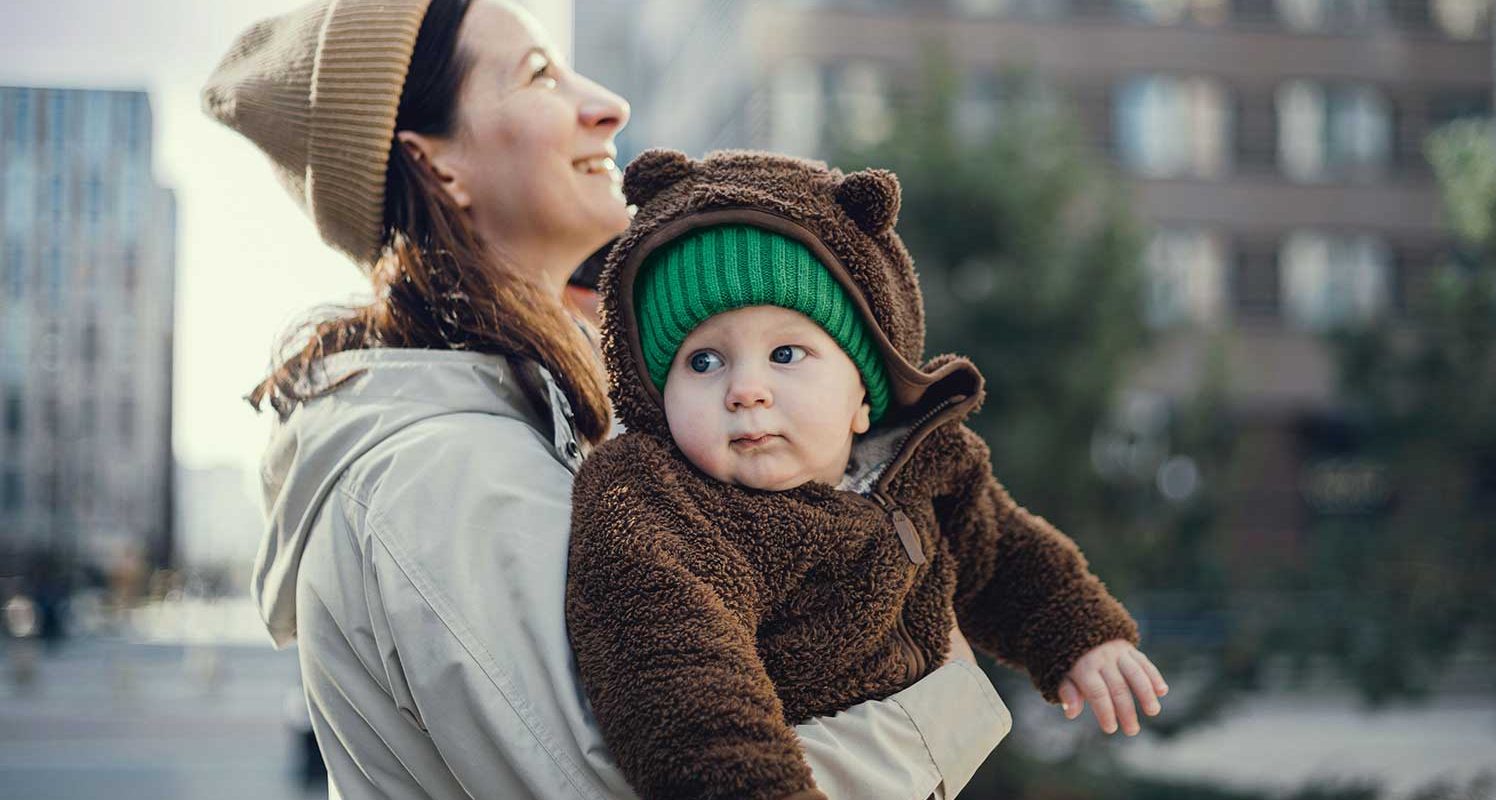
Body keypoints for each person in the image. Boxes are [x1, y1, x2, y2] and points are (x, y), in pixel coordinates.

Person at [201, 1, 1013, 797]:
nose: (608, 106)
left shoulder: (511, 434)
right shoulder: (444, 474)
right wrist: (936, 707)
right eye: (539, 75)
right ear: (436, 161)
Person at [567, 150, 1170, 800]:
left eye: (786, 353)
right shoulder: (659, 502)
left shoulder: (925, 464)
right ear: (656, 397)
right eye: (703, 361)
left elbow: (1005, 555)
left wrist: (1081, 636)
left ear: (865, 391)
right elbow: (679, 675)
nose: (745, 390)